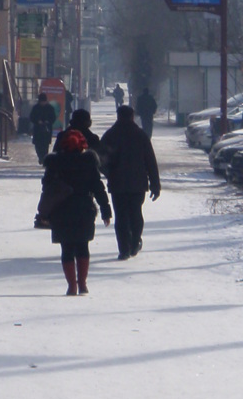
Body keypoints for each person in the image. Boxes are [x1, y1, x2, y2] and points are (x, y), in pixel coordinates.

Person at [40, 127, 112, 295]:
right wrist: (106, 210)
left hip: (61, 210)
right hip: (84, 209)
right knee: (82, 247)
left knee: (66, 249)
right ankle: (83, 284)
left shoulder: (54, 164)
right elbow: (98, 188)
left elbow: (47, 188)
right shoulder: (89, 163)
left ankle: (71, 285)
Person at [100, 105, 161, 259]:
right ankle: (134, 243)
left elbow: (100, 160)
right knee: (135, 213)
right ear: (132, 116)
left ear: (118, 116)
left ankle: (124, 249)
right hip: (138, 183)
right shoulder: (140, 135)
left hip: (117, 184)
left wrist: (110, 173)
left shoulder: (110, 135)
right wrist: (155, 184)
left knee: (121, 216)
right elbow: (150, 161)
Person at [28, 90, 57, 166]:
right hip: (38, 129)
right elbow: (31, 117)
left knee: (45, 146)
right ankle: (41, 158)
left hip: (46, 130)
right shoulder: (36, 108)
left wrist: (48, 121)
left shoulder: (50, 108)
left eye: (44, 101)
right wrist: (37, 121)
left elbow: (53, 118)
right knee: (37, 146)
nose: (43, 103)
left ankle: (44, 159)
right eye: (41, 101)